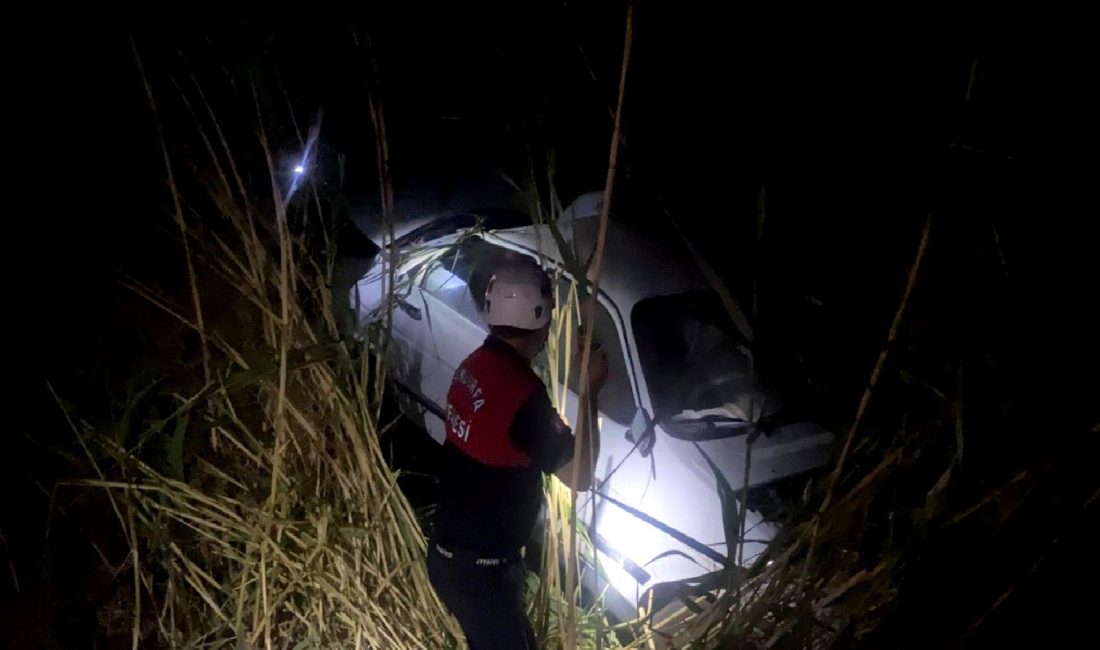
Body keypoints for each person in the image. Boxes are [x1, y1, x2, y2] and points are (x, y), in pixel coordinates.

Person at [427, 253, 608, 649]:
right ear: (543, 322)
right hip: (480, 573)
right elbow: (578, 476)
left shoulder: (473, 366)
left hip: (452, 558)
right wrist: (590, 389)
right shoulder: (522, 395)